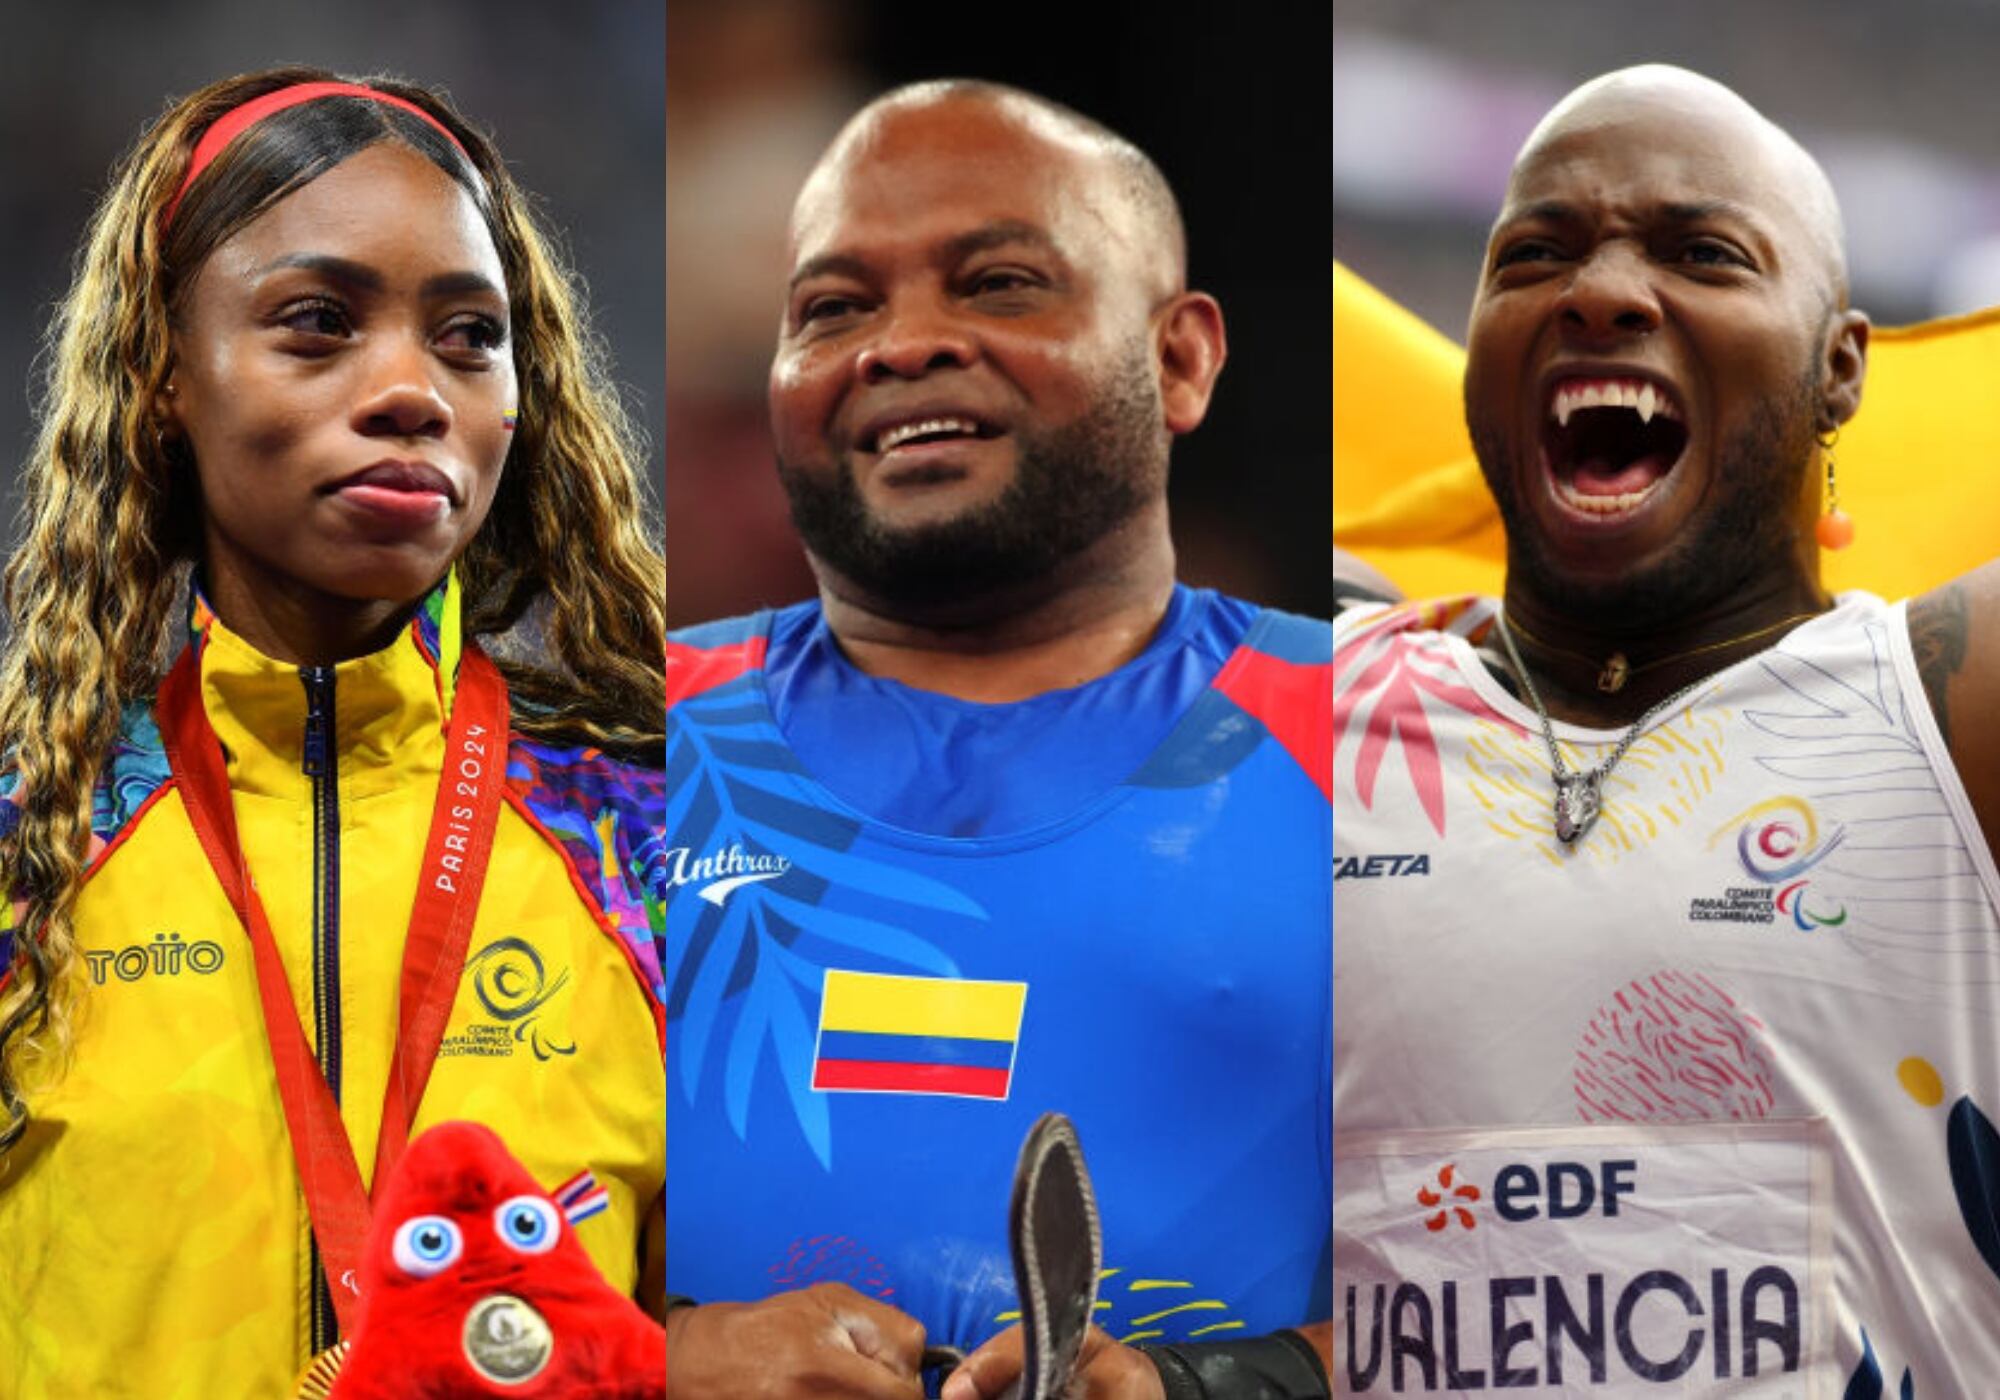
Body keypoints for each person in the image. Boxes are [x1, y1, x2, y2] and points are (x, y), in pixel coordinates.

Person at [1333, 65, 2000, 1394]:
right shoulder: (1312, 706)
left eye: (1702, 254)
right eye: (1536, 254)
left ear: (1841, 367)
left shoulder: (1951, 699)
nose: (1599, 293)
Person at [0, 68, 667, 1396]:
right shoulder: (30, 854)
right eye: (317, 323)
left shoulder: (652, 850)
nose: (412, 390)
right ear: (164, 379)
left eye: (470, 336)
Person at [663, 81, 1332, 1400]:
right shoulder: (615, 750)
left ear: (1183, 359)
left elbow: (1526, 1275)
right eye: (834, 308)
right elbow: (452, 1229)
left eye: (1001, 283)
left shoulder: (1373, 739)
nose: (902, 344)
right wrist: (669, 1354)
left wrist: (1205, 1389)